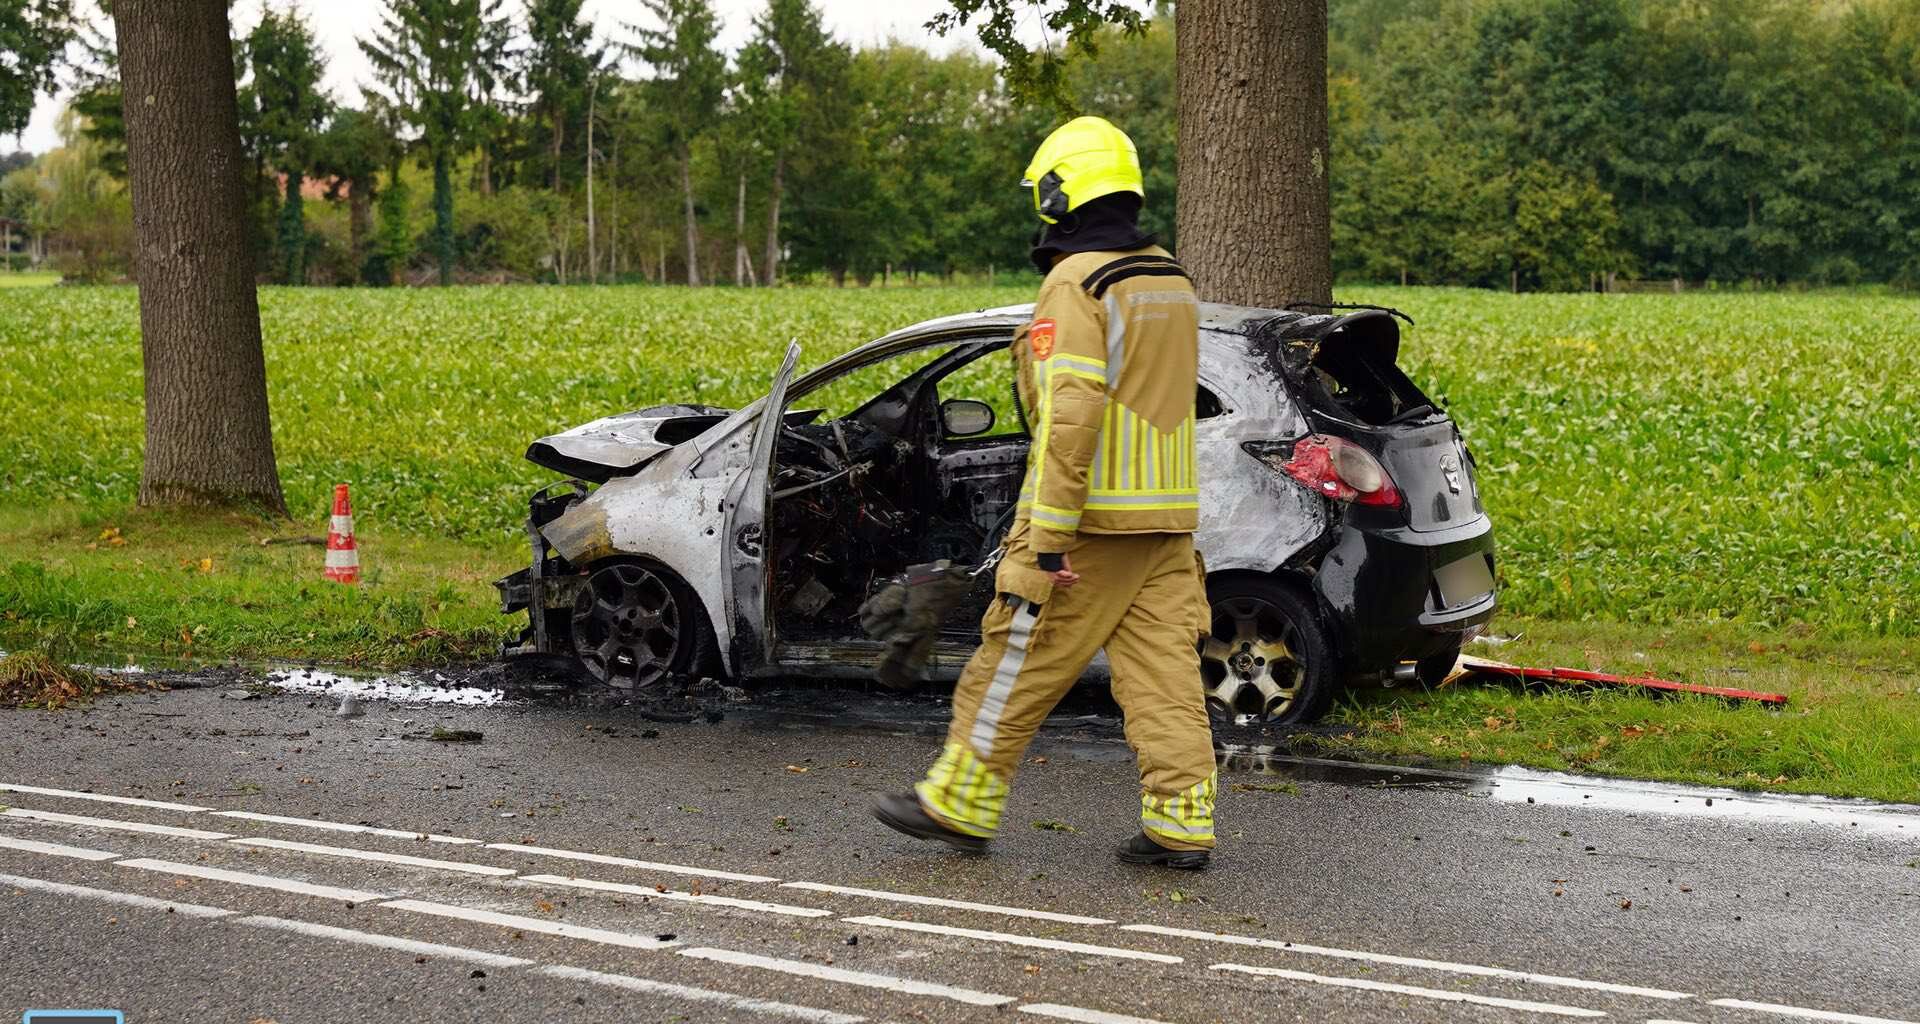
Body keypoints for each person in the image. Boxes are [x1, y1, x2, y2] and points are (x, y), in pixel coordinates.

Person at [872, 116, 1217, 869]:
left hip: (1089, 521)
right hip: (1166, 522)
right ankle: (1181, 821)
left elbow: (1072, 412)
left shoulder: (1077, 282)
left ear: (1061, 192)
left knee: (1015, 658)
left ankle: (960, 801)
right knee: (1163, 675)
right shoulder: (1169, 279)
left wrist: (1049, 536)